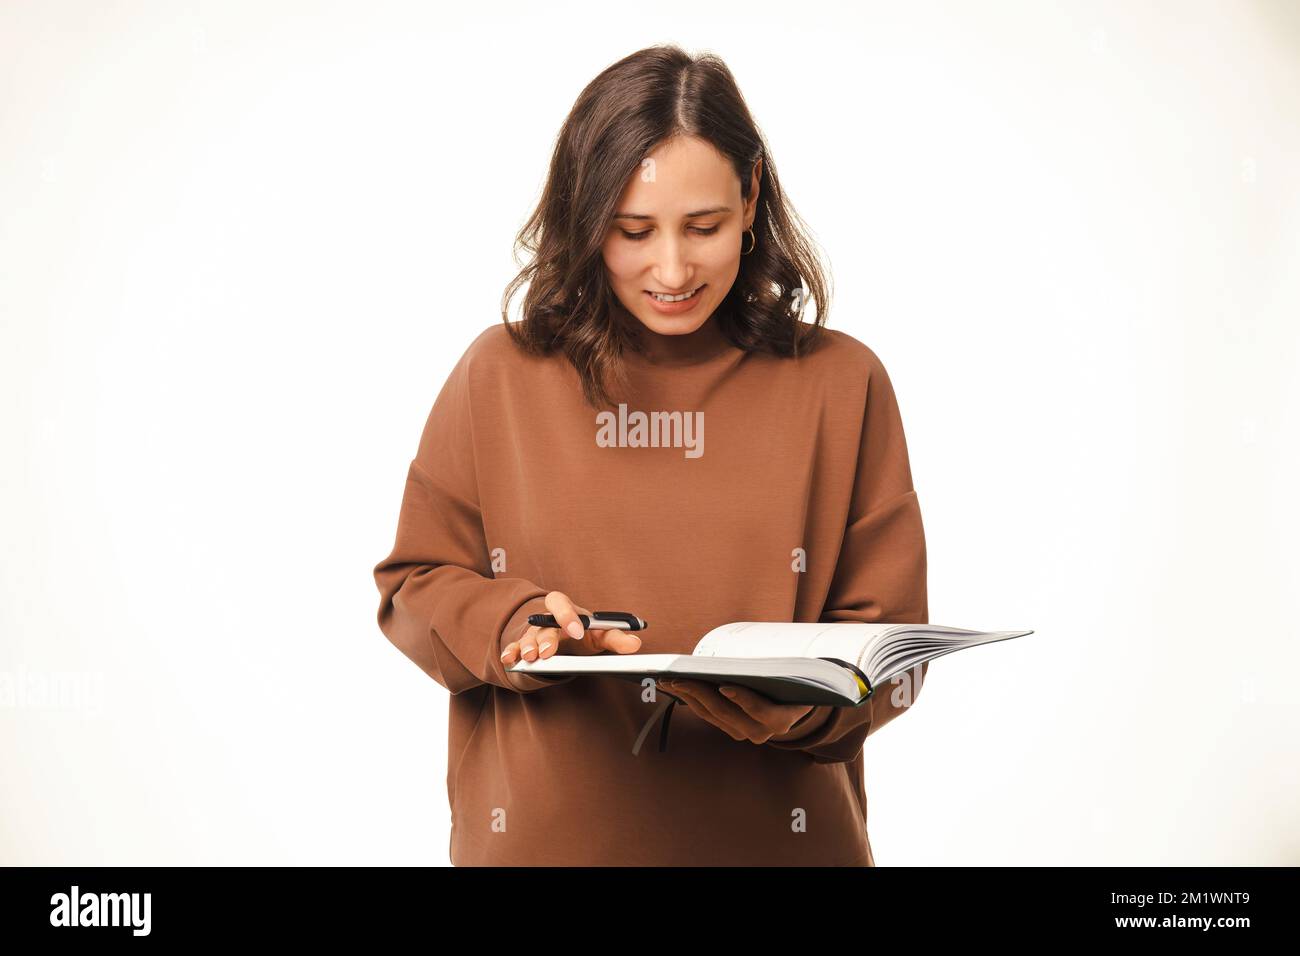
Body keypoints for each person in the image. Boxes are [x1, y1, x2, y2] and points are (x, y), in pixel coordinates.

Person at [372, 44, 929, 866]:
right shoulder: (500, 374)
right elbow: (414, 585)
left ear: (750, 198)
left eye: (702, 227)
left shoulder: (843, 383)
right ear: (586, 219)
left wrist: (794, 697)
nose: (672, 268)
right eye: (633, 232)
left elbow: (890, 643)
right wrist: (520, 627)